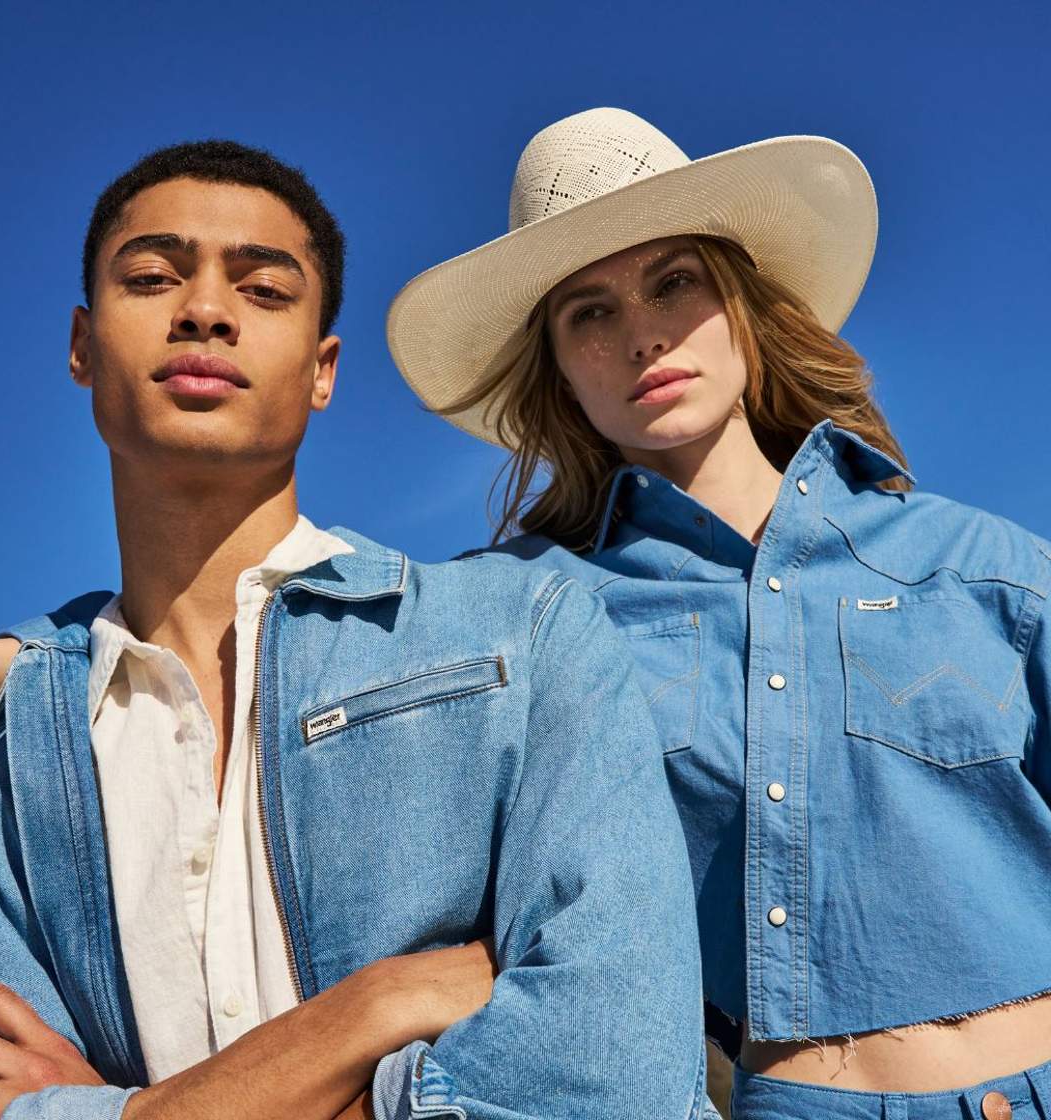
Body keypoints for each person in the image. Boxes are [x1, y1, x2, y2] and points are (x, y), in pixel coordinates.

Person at [0, 138, 708, 1120]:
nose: (205, 309)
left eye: (262, 291)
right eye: (153, 276)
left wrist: (118, 1110)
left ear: (322, 368)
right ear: (83, 344)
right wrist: (371, 1008)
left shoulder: (524, 633)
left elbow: (614, 1074)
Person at [383, 108, 1051, 1119]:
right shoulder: (530, 615)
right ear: (556, 365)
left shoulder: (979, 566)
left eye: (672, 282)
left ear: (739, 306)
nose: (642, 332)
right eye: (588, 312)